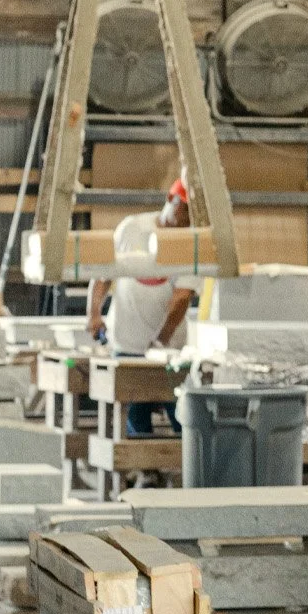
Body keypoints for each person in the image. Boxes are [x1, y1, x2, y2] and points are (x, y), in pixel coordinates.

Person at [86, 180, 199, 438]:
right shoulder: (131, 229)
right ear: (173, 200)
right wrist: (94, 314)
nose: (187, 221)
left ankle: (185, 475)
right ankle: (144, 477)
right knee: (134, 427)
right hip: (127, 347)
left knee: (183, 423)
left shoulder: (191, 242)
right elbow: (103, 275)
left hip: (170, 354)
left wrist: (160, 342)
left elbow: (182, 299)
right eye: (185, 212)